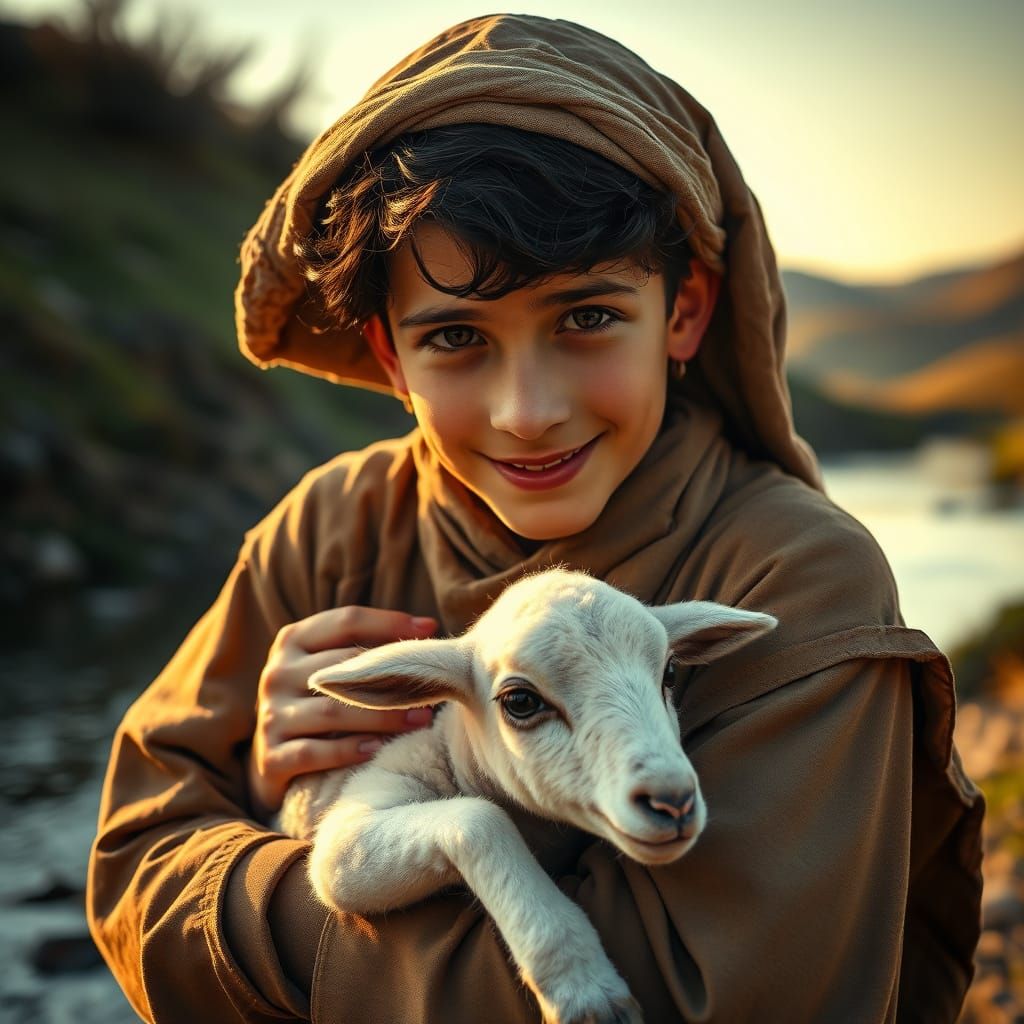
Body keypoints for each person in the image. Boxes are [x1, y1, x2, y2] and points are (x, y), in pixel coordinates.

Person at [86, 13, 983, 1023]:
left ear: (683, 310)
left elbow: (717, 993)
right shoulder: (325, 532)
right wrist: (279, 782)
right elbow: (130, 870)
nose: (528, 410)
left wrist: (284, 866)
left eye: (587, 318)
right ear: (389, 356)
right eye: (458, 335)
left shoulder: (789, 575)